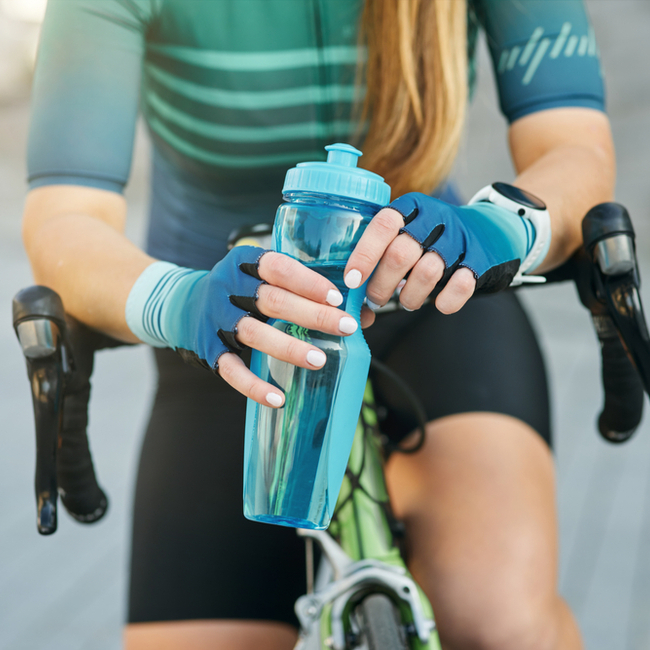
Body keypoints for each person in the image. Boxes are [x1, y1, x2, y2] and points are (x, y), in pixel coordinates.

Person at [23, 0, 614, 648]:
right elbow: (64, 215)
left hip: (432, 298)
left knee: (498, 618)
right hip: (227, 326)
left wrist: (500, 225)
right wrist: (179, 301)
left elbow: (573, 146)